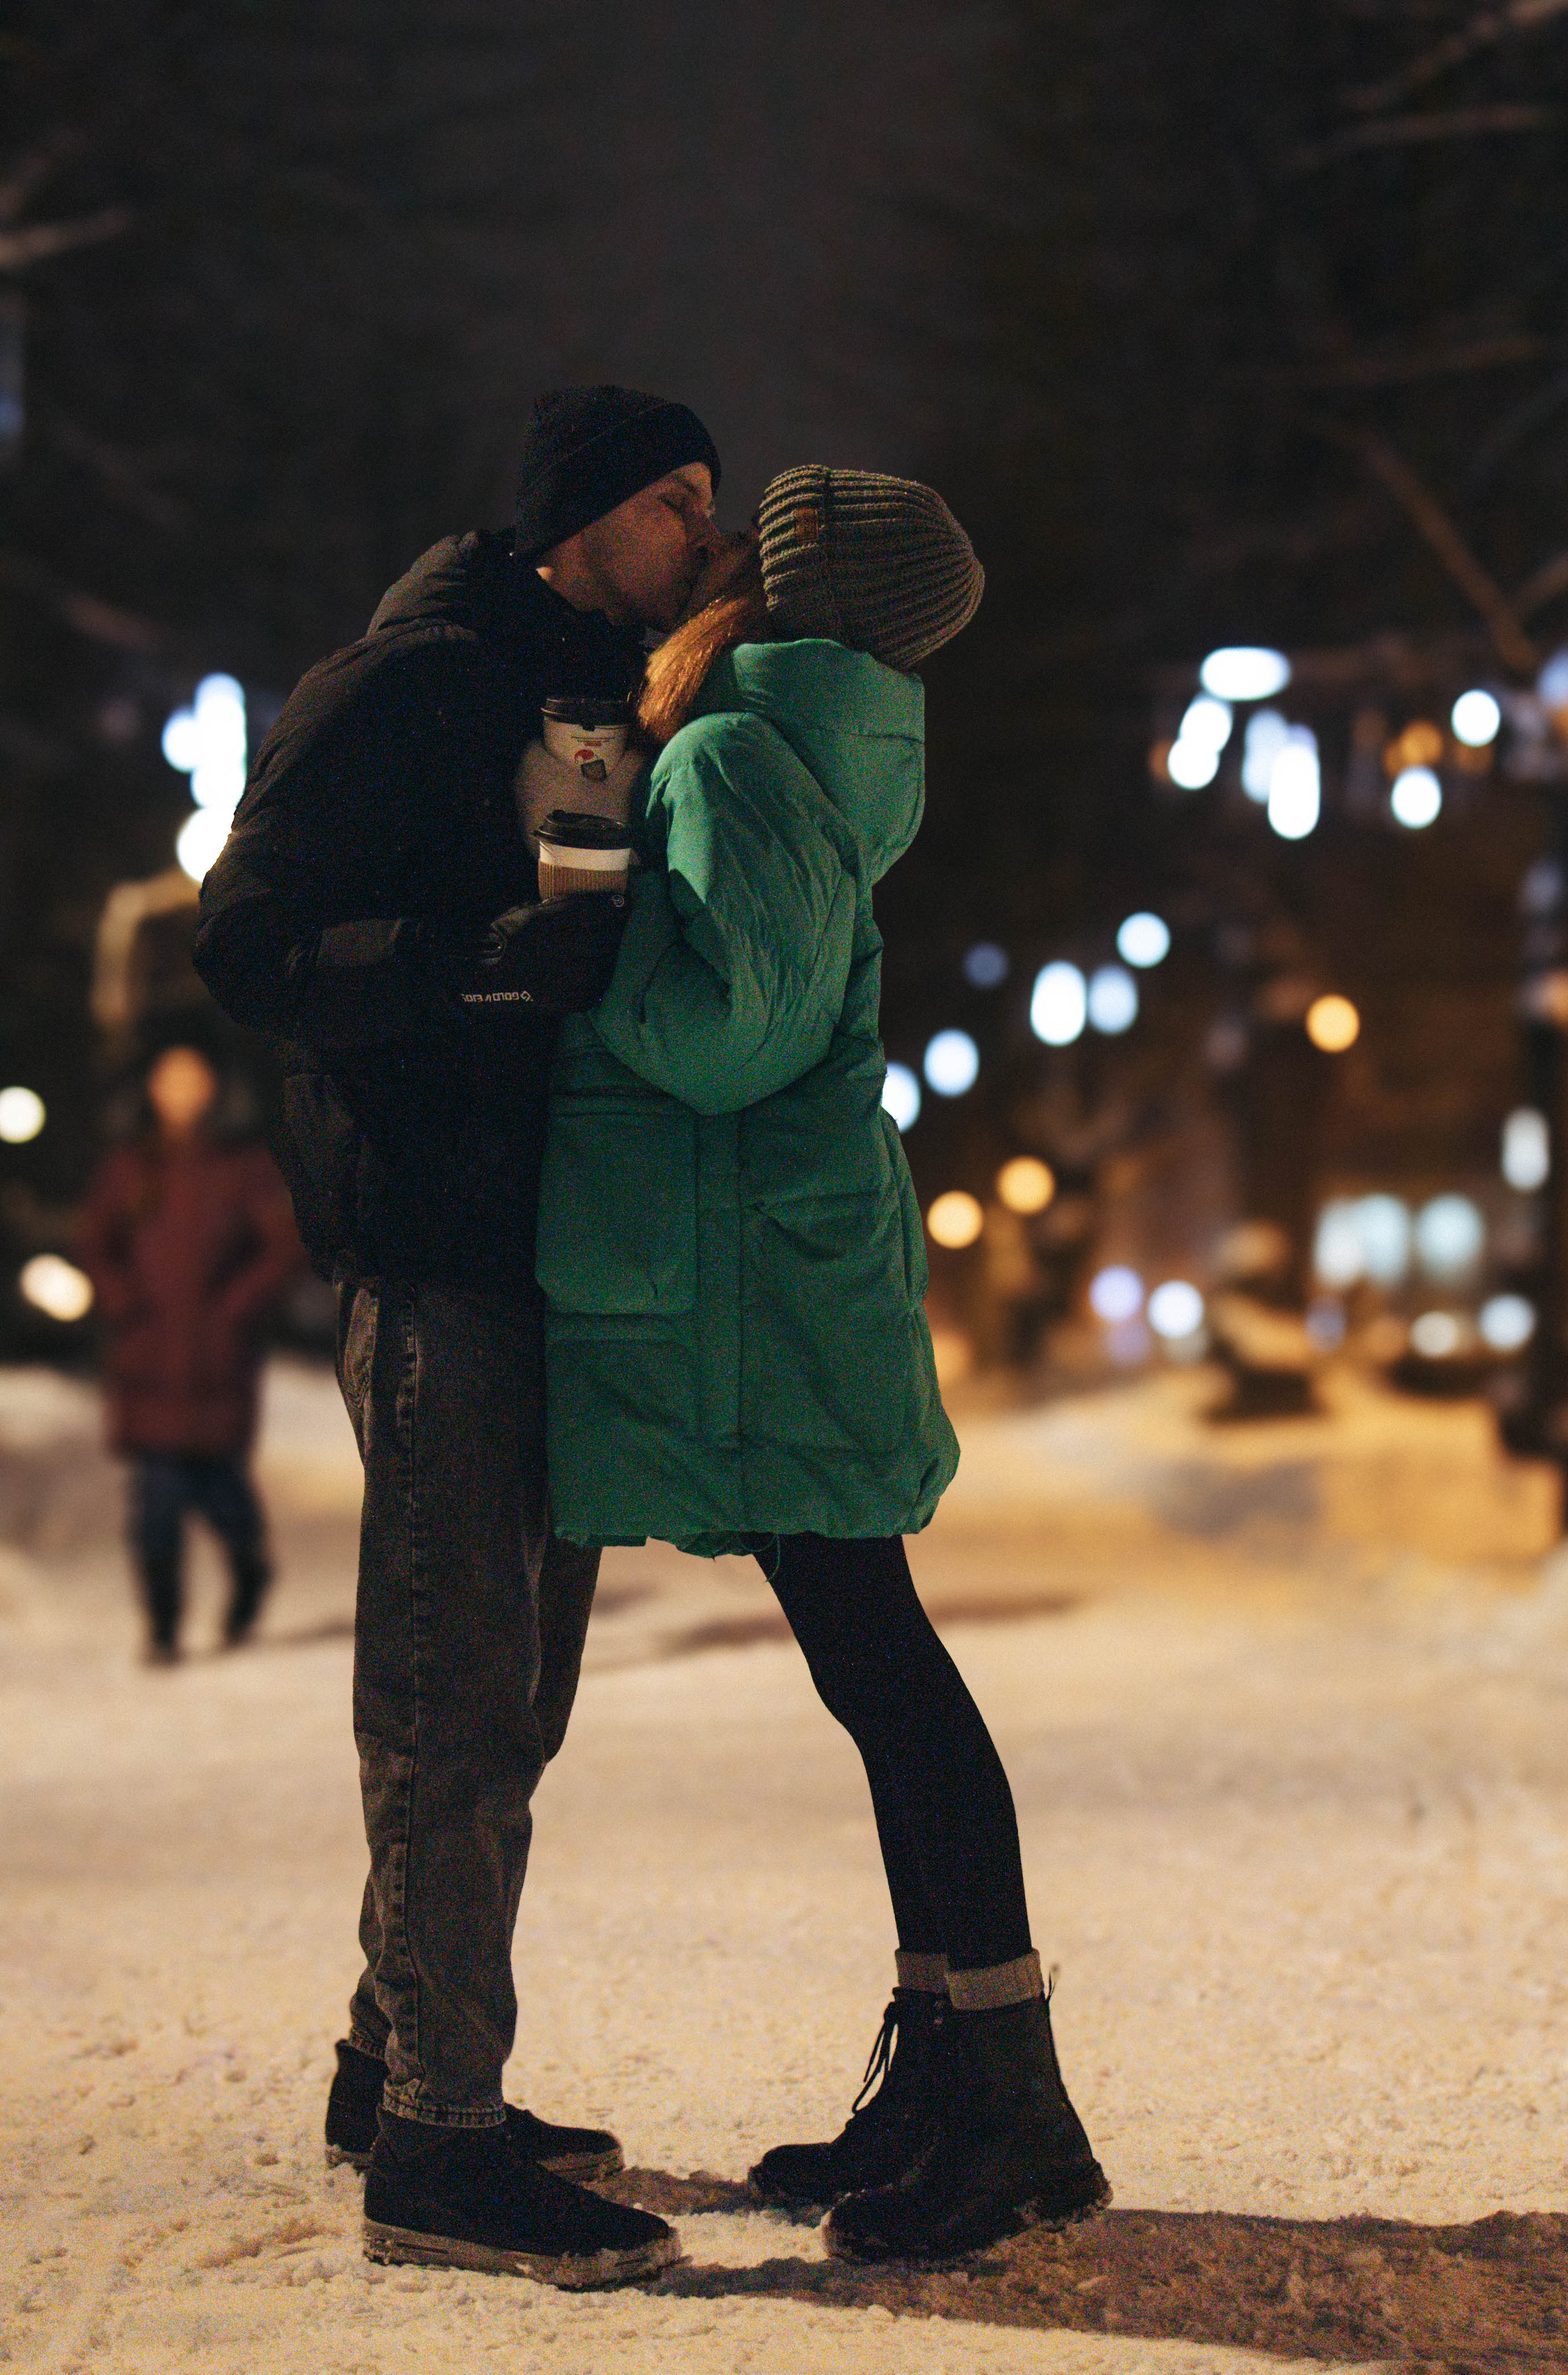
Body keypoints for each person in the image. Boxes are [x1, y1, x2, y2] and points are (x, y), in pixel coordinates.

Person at [536, 468, 1110, 2262]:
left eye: (747, 536)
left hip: (772, 1289)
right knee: (878, 1668)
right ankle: (955, 2071)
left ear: (797, 587)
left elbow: (728, 1032)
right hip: (781, 1270)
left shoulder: (733, 757)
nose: (713, 548)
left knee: (887, 1667)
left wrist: (583, 956)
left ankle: (1011, 2102)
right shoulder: (784, 746)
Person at [193, 388, 724, 2288]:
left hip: (539, 1241)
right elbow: (245, 937)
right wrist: (475, 965)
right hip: (431, 1241)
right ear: (579, 516)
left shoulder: (595, 696)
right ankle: (437, 2143)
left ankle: (389, 2066)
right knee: (453, 1689)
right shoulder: (406, 682)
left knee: (521, 1688)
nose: (703, 531)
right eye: (674, 501)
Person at [77, 1040, 302, 1663]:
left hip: (215, 1361)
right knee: (157, 1497)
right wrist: (122, 1301)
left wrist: (235, 1309)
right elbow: (96, 1243)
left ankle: (250, 1568)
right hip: (148, 1357)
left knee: (220, 1487)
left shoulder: (241, 1166)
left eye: (192, 1079)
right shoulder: (130, 1166)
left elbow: (280, 1247)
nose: (180, 1092)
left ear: (214, 1088)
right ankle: (163, 1626)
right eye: (169, 1079)